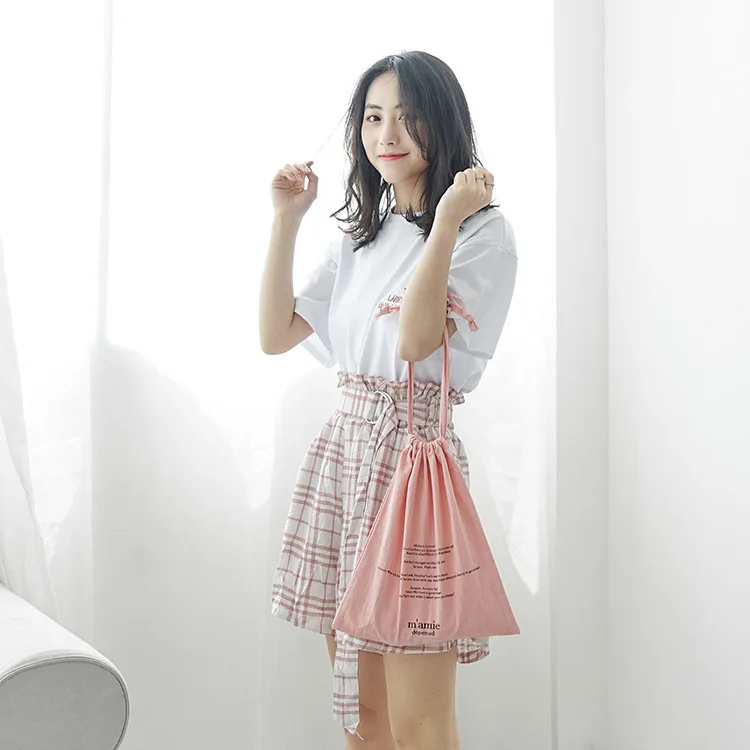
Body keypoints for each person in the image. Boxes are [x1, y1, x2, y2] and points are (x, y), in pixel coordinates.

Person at [260, 50, 518, 750]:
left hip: (413, 470)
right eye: (373, 118)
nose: (388, 134)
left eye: (408, 117)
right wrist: (286, 221)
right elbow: (275, 334)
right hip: (347, 456)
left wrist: (447, 218)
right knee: (364, 715)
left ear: (444, 123)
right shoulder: (361, 237)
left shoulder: (482, 232)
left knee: (420, 722)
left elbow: (414, 341)